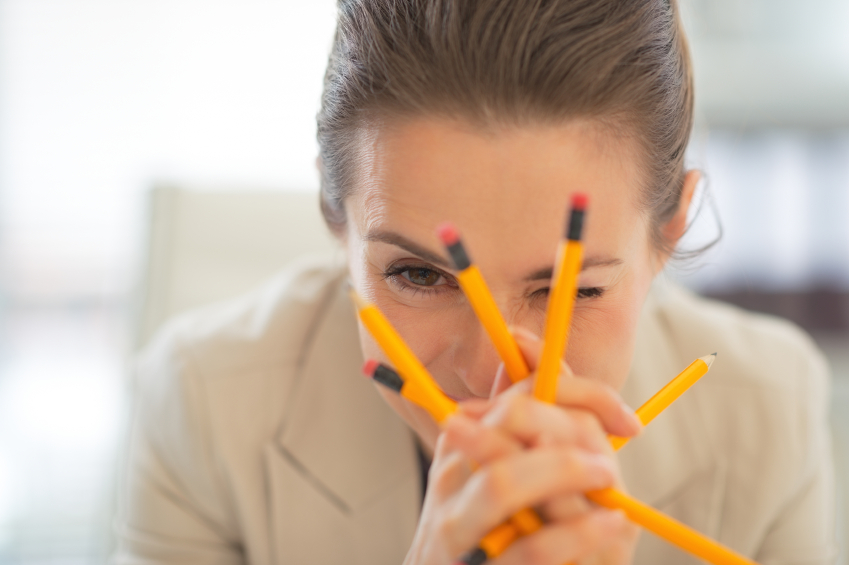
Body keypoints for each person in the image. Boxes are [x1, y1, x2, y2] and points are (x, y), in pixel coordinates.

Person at [113, 0, 837, 563]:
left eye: (571, 292)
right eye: (418, 274)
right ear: (336, 219)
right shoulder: (198, 402)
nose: (497, 378)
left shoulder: (768, 409)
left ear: (669, 231)